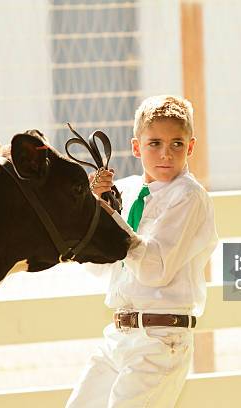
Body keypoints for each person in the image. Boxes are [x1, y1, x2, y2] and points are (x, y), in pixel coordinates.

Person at [66, 95, 218, 407]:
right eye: (154, 144)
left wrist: (110, 218)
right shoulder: (131, 189)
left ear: (190, 147)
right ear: (137, 147)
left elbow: (155, 270)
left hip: (161, 341)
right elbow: (100, 266)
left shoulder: (187, 197)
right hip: (120, 334)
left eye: (177, 144)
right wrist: (96, 205)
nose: (166, 153)